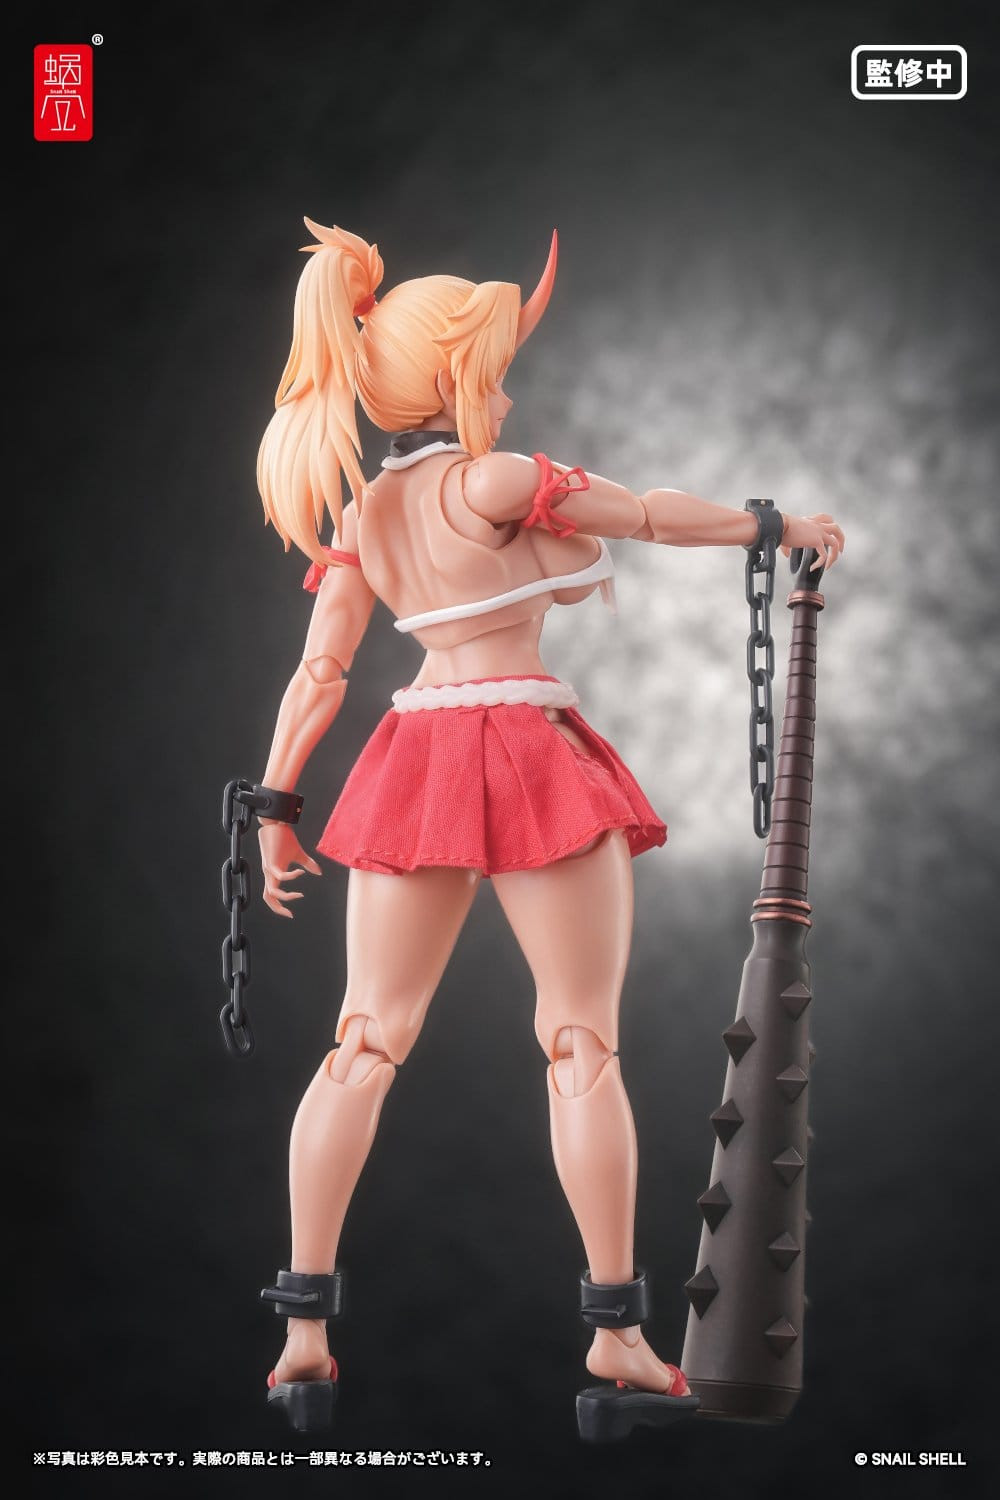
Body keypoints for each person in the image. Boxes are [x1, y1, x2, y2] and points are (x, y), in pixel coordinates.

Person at [252, 219, 844, 1437]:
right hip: (523, 745)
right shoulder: (497, 479)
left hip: (413, 752)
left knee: (363, 1041)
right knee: (579, 1043)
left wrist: (276, 806)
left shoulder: (366, 512)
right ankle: (615, 1332)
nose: (511, 383)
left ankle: (301, 1331)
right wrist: (774, 527)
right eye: (499, 359)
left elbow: (319, 675)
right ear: (460, 373)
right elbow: (650, 517)